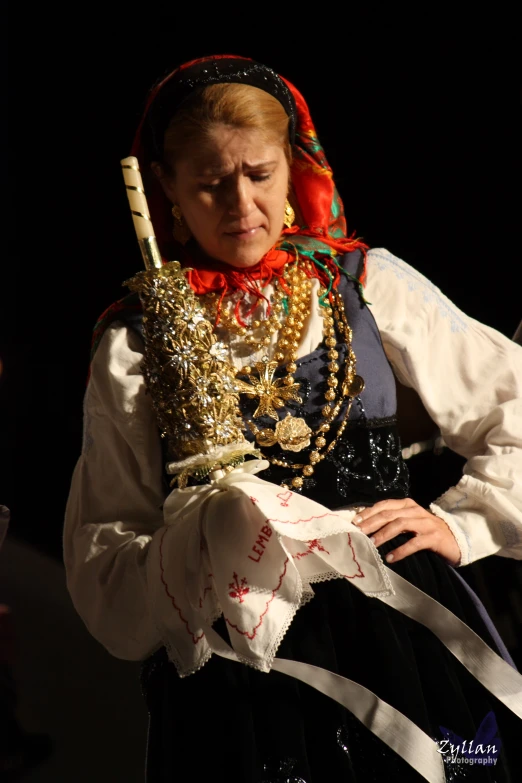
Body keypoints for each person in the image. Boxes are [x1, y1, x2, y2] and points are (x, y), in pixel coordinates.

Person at [64, 56, 522, 782]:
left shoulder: (363, 283)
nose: (240, 203)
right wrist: (196, 546)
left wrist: (462, 525)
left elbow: (514, 404)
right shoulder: (136, 340)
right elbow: (104, 549)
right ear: (170, 195)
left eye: (259, 174)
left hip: (400, 631)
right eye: (211, 183)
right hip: (243, 666)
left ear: (292, 172)